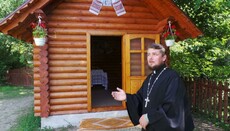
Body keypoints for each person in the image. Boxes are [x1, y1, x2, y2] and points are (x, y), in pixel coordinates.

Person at [111, 43, 194, 131]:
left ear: (164, 58)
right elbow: (140, 98)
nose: (150, 58)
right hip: (151, 126)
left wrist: (149, 117)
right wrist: (127, 97)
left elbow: (172, 104)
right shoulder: (150, 78)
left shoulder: (172, 77)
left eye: (155, 54)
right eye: (149, 54)